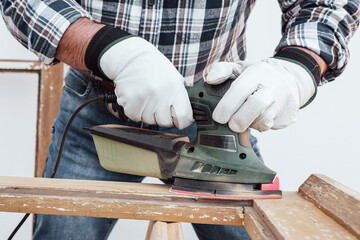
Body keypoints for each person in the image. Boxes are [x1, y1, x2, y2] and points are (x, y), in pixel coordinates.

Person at [1, 0, 359, 239]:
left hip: (213, 120)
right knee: (63, 231)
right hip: (98, 108)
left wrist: (297, 67)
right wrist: (106, 48)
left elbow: (326, 4)